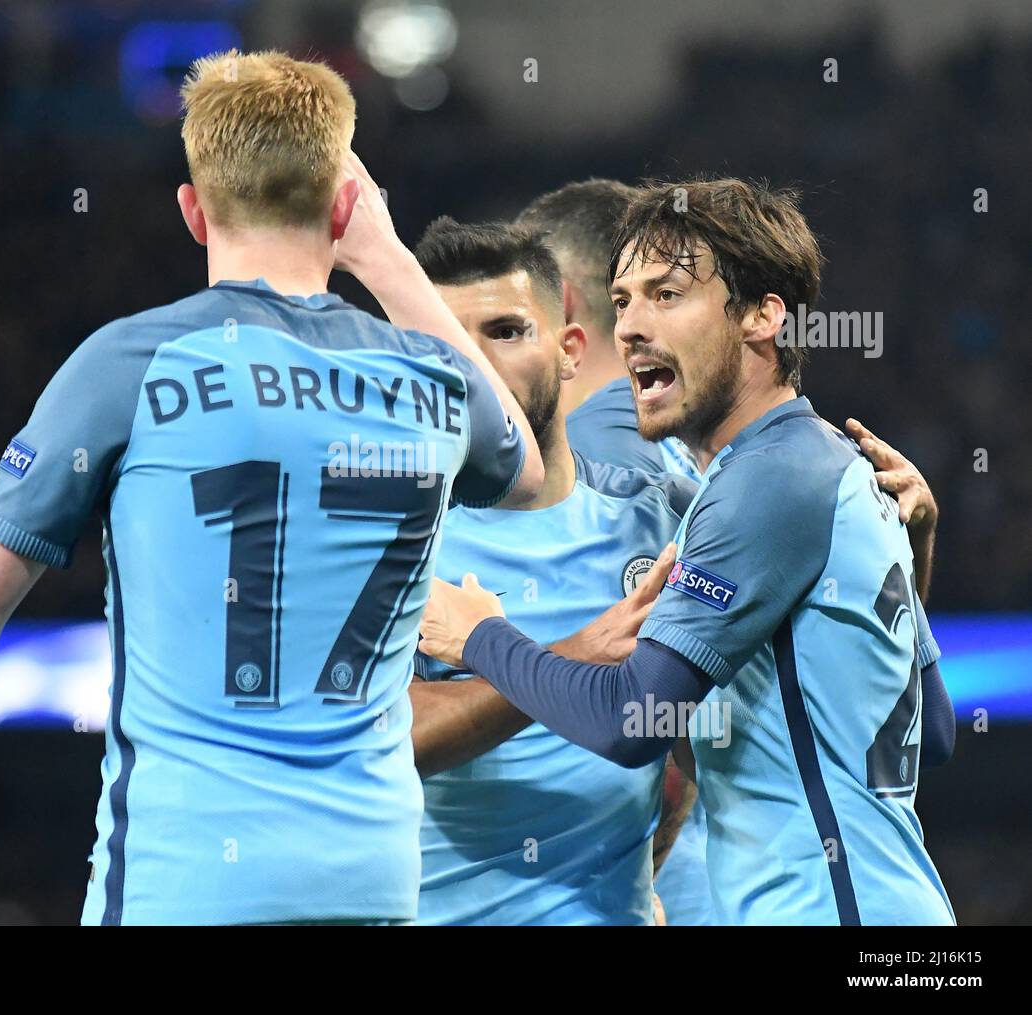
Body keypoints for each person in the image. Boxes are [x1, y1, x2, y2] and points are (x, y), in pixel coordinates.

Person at [0, 50, 544, 926]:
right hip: (368, 885)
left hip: (183, 885)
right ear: (345, 207)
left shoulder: (132, 363)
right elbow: (519, 464)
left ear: (193, 210)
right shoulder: (427, 379)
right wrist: (384, 259)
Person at [419, 178, 955, 925]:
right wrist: (916, 545)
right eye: (624, 298)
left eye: (666, 295)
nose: (631, 325)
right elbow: (931, 727)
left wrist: (481, 636)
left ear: (764, 316)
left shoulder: (763, 484)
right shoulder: (827, 469)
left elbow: (629, 720)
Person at [409, 217, 690, 924]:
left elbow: (699, 728)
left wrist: (641, 874)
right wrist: (568, 659)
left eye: (505, 331)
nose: (473, 366)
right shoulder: (390, 535)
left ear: (570, 351)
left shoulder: (660, 519)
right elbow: (375, 738)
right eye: (445, 340)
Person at [519, 179, 710, 924]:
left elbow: (633, 709)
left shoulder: (579, 466)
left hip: (644, 889)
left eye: (505, 320)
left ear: (558, 308)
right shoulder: (708, 456)